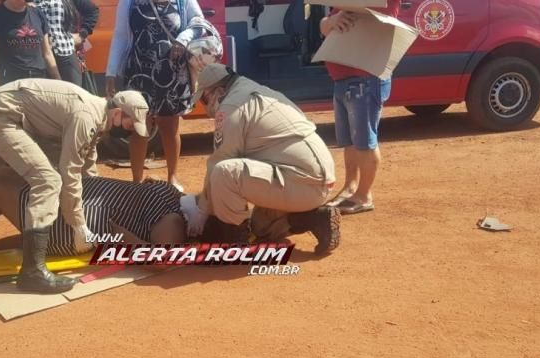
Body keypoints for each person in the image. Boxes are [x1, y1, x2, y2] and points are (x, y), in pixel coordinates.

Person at [0, 78, 150, 293]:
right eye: (130, 125)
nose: (129, 131)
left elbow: (87, 163)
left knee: (52, 172)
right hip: (0, 114)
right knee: (48, 180)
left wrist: (92, 196)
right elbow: (71, 170)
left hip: (20, 117)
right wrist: (79, 225)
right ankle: (32, 272)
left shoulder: (98, 117)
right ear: (117, 113)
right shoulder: (86, 117)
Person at [180, 64, 341, 255]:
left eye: (205, 100)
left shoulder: (231, 105)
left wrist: (202, 211)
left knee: (223, 172)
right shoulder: (258, 90)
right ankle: (316, 217)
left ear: (218, 90)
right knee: (261, 227)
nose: (206, 108)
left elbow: (221, 160)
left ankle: (234, 241)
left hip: (300, 180)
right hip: (316, 181)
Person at [0, 169, 186, 275]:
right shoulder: (173, 197)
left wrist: (119, 235)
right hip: (74, 213)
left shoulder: (174, 216)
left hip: (70, 229)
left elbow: (162, 259)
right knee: (12, 179)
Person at [105, 0, 207, 189]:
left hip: (172, 74)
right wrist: (111, 72)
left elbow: (199, 24)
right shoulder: (129, 2)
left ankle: (172, 177)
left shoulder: (183, 2)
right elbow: (120, 36)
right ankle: (136, 181)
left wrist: (183, 38)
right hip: (138, 73)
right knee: (138, 127)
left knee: (170, 127)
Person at [321, 1, 400, 214]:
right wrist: (331, 21)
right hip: (343, 79)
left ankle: (364, 196)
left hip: (366, 78)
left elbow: (384, 14)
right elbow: (323, 26)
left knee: (364, 141)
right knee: (349, 142)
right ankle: (351, 187)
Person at [0, 0, 61, 90]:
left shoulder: (37, 13)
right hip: (11, 84)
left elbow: (47, 53)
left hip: (39, 81)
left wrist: (58, 81)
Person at [32, 0, 100, 85]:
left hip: (65, 52)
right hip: (36, 56)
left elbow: (92, 10)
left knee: (72, 93)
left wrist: (82, 34)